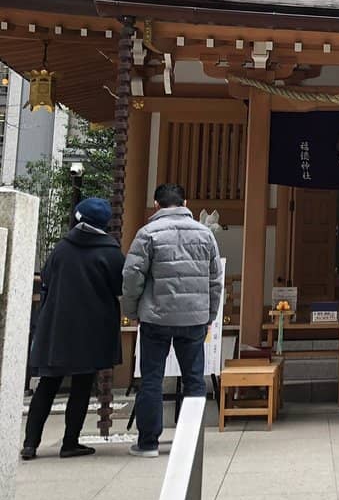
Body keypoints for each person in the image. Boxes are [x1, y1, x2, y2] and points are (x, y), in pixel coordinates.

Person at [122, 183, 221, 457]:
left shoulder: (147, 234)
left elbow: (132, 277)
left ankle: (149, 442)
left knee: (152, 379)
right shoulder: (205, 235)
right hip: (194, 317)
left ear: (156, 205)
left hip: (156, 316)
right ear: (185, 202)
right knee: (194, 380)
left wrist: (131, 311)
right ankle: (190, 443)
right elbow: (215, 280)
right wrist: (210, 313)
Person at [21, 198, 123, 460]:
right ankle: (70, 442)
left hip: (57, 325)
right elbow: (120, 287)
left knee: (48, 384)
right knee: (81, 384)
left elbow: (46, 278)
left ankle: (30, 443)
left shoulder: (62, 249)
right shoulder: (110, 252)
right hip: (92, 326)